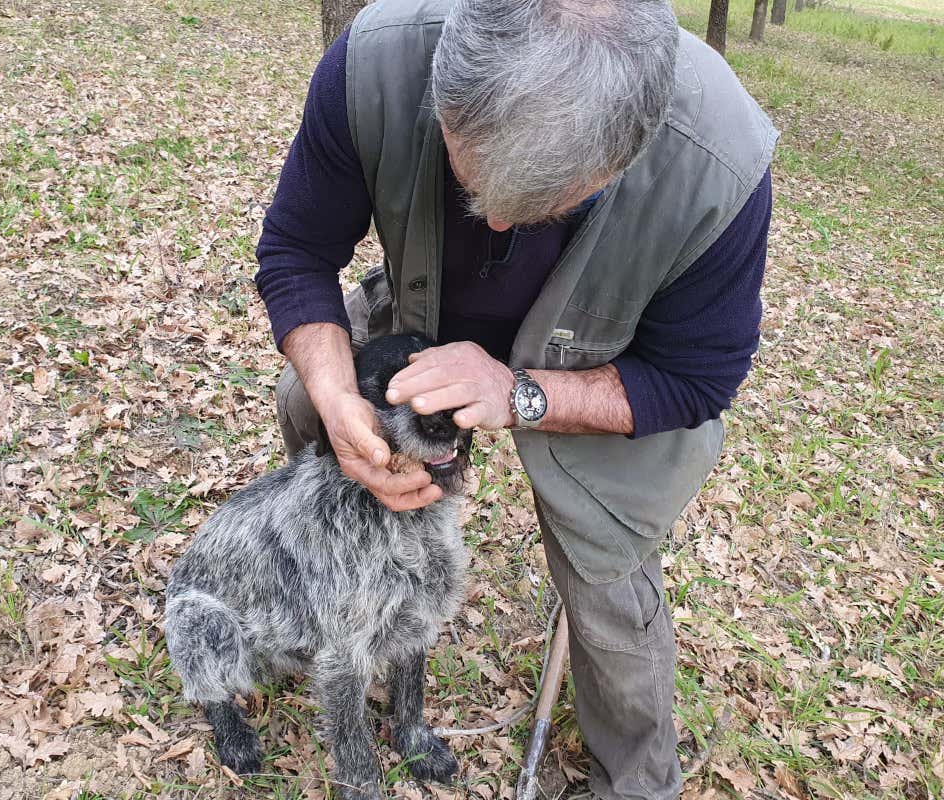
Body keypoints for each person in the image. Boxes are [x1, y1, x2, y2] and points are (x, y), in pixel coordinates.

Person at [253, 0, 776, 797]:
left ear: (622, 159)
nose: (495, 220)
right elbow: (296, 248)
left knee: (607, 574)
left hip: (605, 353)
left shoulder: (717, 161)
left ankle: (637, 776)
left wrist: (519, 394)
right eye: (472, 178)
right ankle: (331, 585)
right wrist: (333, 393)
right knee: (304, 402)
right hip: (422, 308)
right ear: (447, 92)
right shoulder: (377, 64)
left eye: (545, 204)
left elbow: (696, 378)